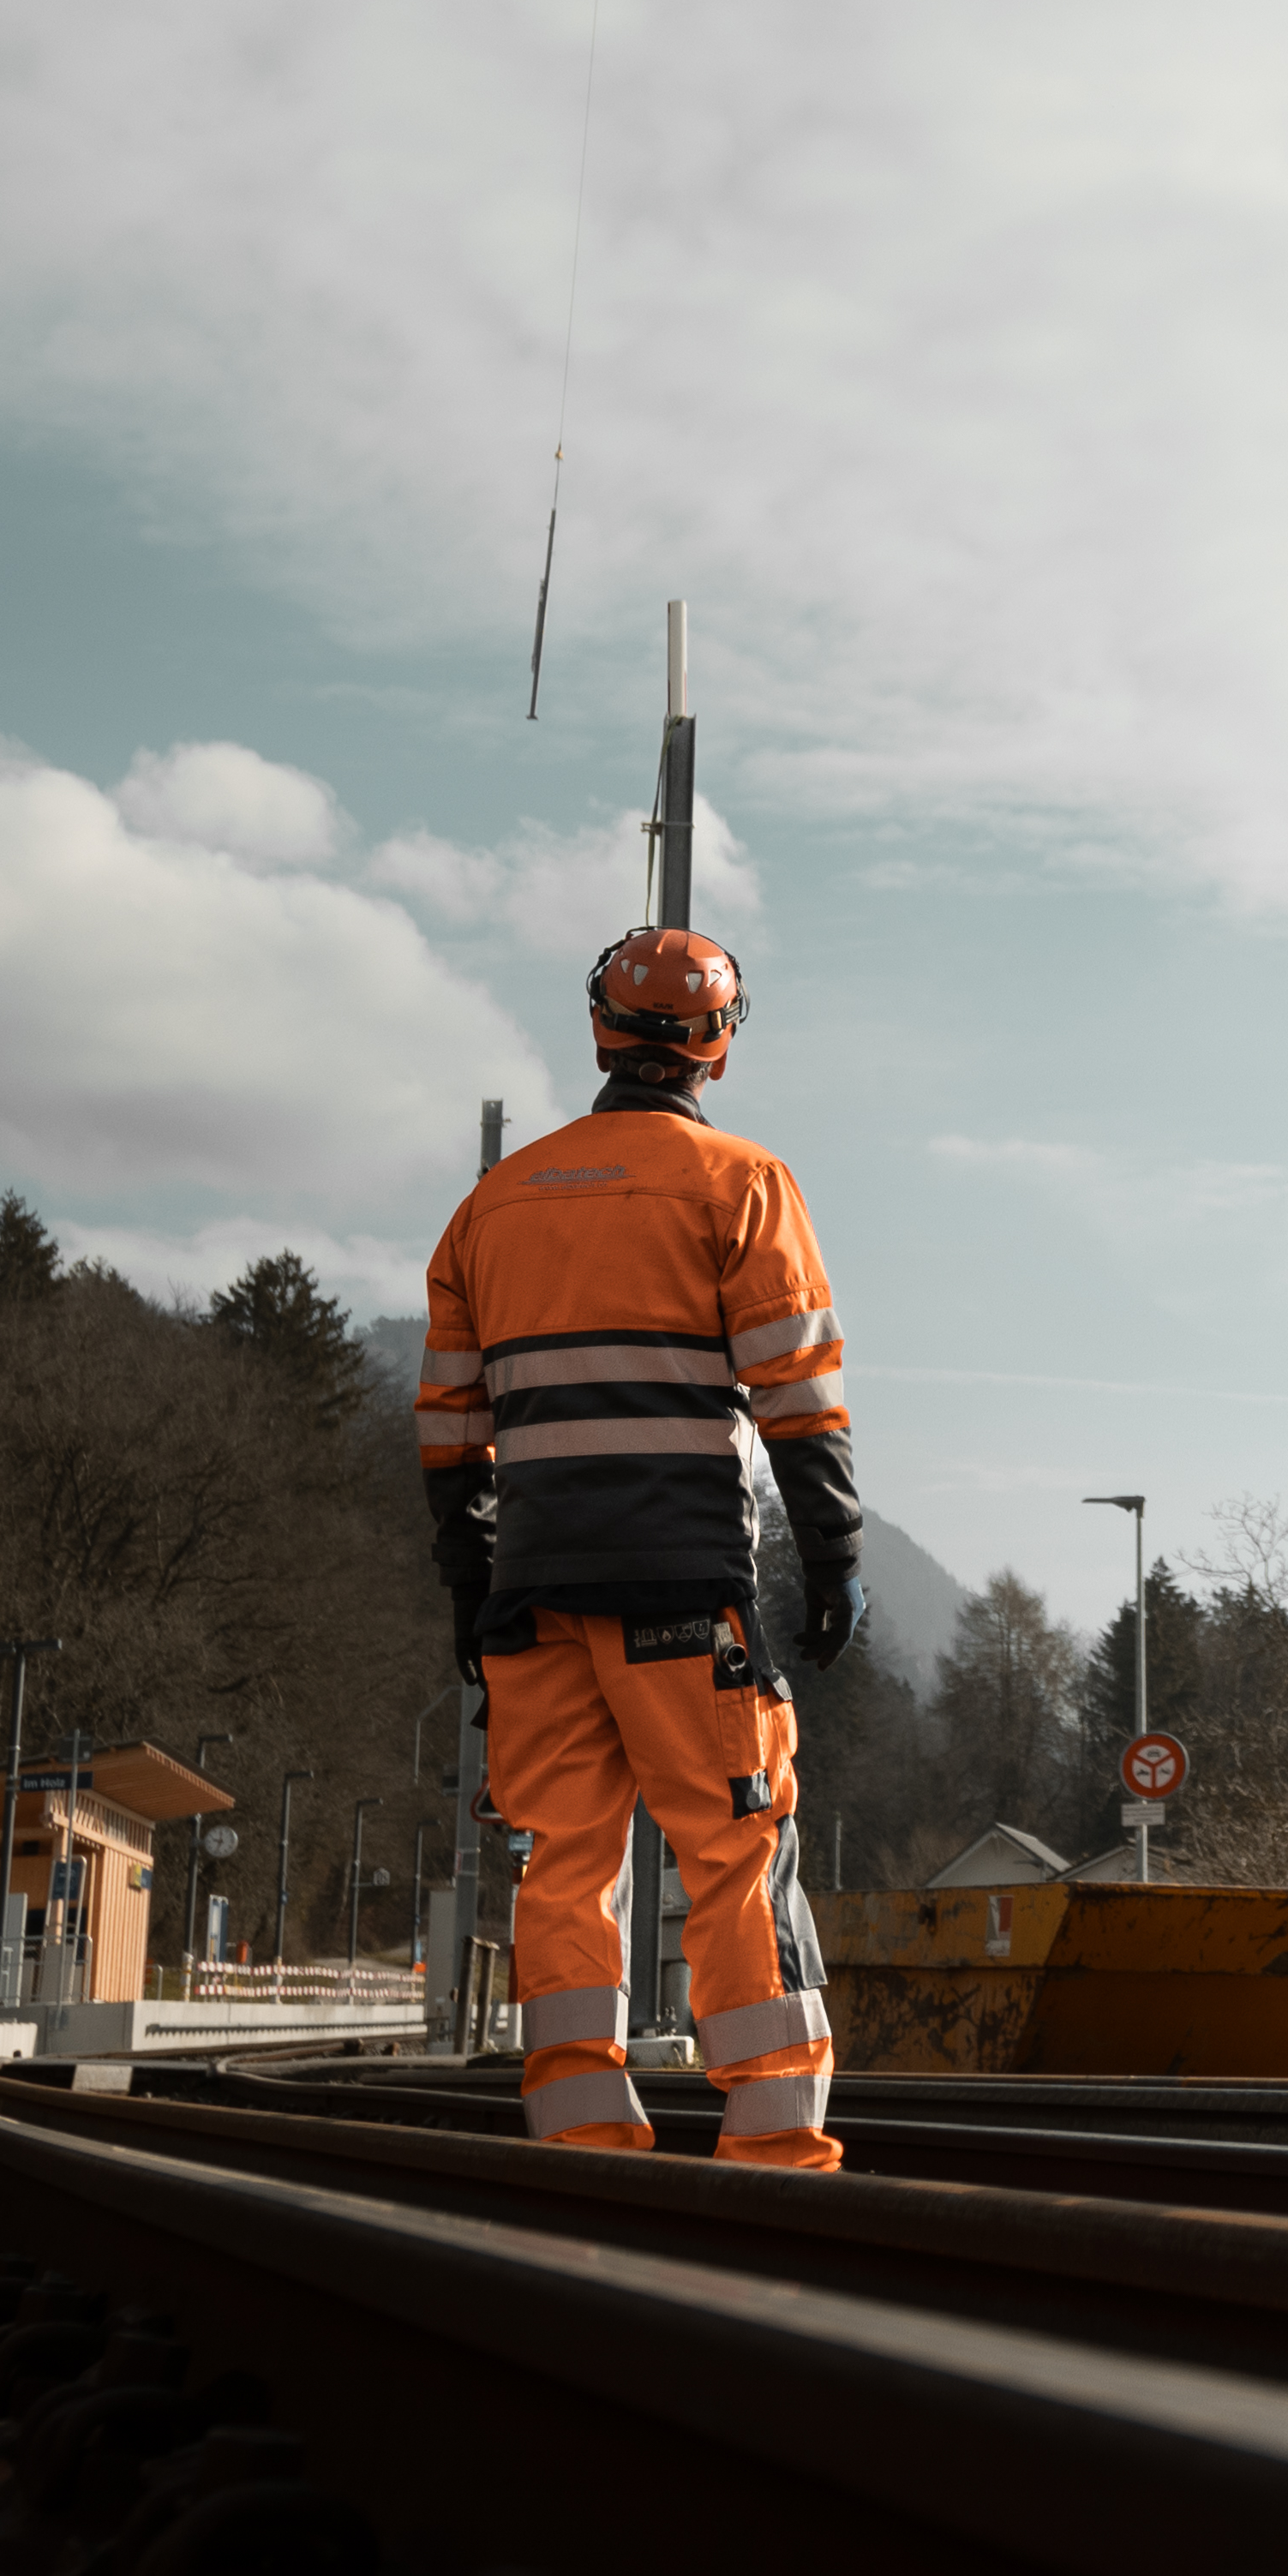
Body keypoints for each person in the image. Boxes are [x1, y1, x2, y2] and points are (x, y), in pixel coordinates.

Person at [416, 924, 870, 2162]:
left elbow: (450, 1435)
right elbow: (798, 1394)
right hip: (680, 1584)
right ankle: (775, 2149)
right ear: (717, 1049)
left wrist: (472, 1595)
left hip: (532, 1594)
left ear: (600, 1032)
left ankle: (583, 2140)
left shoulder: (489, 1208)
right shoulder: (742, 1184)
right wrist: (832, 1558)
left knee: (562, 1864)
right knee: (735, 1852)